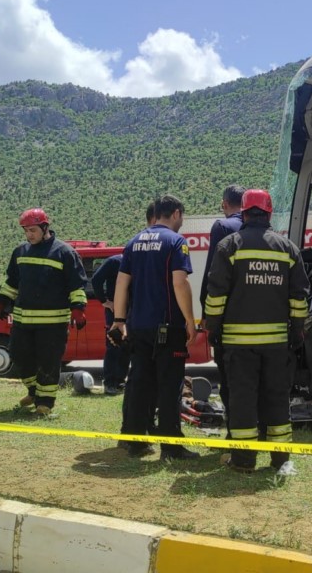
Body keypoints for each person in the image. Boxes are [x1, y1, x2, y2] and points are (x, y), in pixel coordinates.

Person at [204, 189, 309, 473]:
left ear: (245, 213)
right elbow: (299, 298)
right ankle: (280, 460)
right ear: (269, 213)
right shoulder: (287, 248)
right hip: (277, 344)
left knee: (242, 399)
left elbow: (216, 296)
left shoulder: (229, 246)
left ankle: (244, 460)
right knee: (277, 399)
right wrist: (297, 332)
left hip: (238, 345)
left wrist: (212, 329)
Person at [109, 195, 199, 461]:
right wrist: (190, 321)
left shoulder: (133, 242)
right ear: (175, 212)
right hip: (167, 327)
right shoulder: (175, 242)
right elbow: (180, 283)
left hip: (138, 327)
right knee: (170, 385)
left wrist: (119, 320)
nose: (181, 222)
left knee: (140, 383)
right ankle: (171, 447)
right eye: (181, 217)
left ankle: (135, 443)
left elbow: (121, 284)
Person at [0, 208, 87, 416]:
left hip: (53, 324)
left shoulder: (64, 252)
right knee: (19, 356)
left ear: (45, 227)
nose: (29, 235)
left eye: (33, 230)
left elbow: (76, 286)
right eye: (26, 231)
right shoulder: (20, 252)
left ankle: (45, 404)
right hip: (22, 321)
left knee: (49, 362)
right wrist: (3, 299)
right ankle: (34, 391)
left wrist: (79, 309)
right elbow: (12, 281)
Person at [199, 184, 244, 432]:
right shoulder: (266, 232)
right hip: (260, 316)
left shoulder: (223, 227)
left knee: (228, 375)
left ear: (225, 203)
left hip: (228, 317)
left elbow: (212, 272)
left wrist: (205, 311)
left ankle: (233, 428)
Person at [91, 253, 125, 396]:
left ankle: (120, 381)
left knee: (127, 346)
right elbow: (96, 280)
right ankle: (110, 383)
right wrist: (104, 301)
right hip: (114, 310)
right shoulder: (114, 262)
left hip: (132, 309)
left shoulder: (139, 261)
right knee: (114, 344)